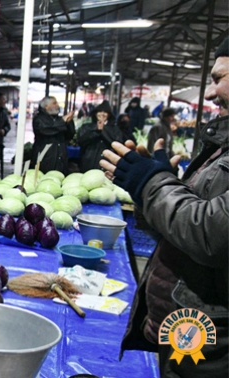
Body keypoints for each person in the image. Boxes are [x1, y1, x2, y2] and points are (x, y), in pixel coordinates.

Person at [102, 36, 229, 378]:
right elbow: (184, 225)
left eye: (218, 78)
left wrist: (153, 184)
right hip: (190, 330)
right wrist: (155, 188)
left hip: (214, 349)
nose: (209, 93)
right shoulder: (221, 146)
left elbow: (212, 234)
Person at [77, 100, 126, 172]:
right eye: (99, 111)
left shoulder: (115, 129)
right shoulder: (86, 127)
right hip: (88, 162)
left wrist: (104, 130)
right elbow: (81, 140)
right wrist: (96, 130)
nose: (102, 114)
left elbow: (118, 143)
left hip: (107, 163)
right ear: (95, 113)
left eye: (105, 112)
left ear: (109, 114)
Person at [31, 96, 75, 174]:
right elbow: (46, 130)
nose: (57, 105)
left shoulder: (58, 119)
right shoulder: (38, 119)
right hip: (45, 158)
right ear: (46, 107)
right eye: (54, 103)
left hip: (60, 158)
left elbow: (69, 135)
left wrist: (69, 123)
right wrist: (63, 121)